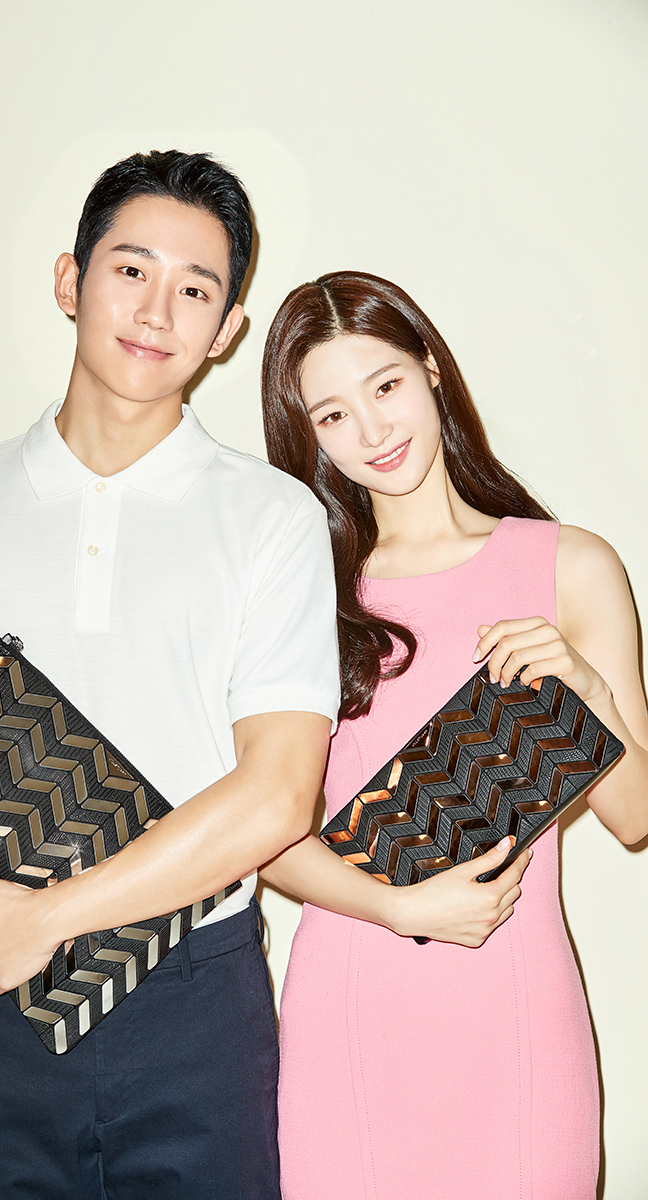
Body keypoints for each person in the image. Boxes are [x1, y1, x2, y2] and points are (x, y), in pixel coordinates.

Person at [0, 150, 345, 1200]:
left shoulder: (271, 518)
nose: (156, 311)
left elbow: (278, 794)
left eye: (195, 290)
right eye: (131, 270)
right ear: (68, 280)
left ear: (226, 330)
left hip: (193, 1001)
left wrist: (54, 914)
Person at [259, 271, 648, 1200]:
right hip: (352, 1009)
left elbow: (635, 817)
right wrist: (398, 908)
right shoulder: (296, 588)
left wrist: (586, 684)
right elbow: (259, 833)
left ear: (431, 369)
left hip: (516, 1009)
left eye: (386, 386)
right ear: (308, 435)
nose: (373, 431)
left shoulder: (571, 563)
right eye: (333, 415)